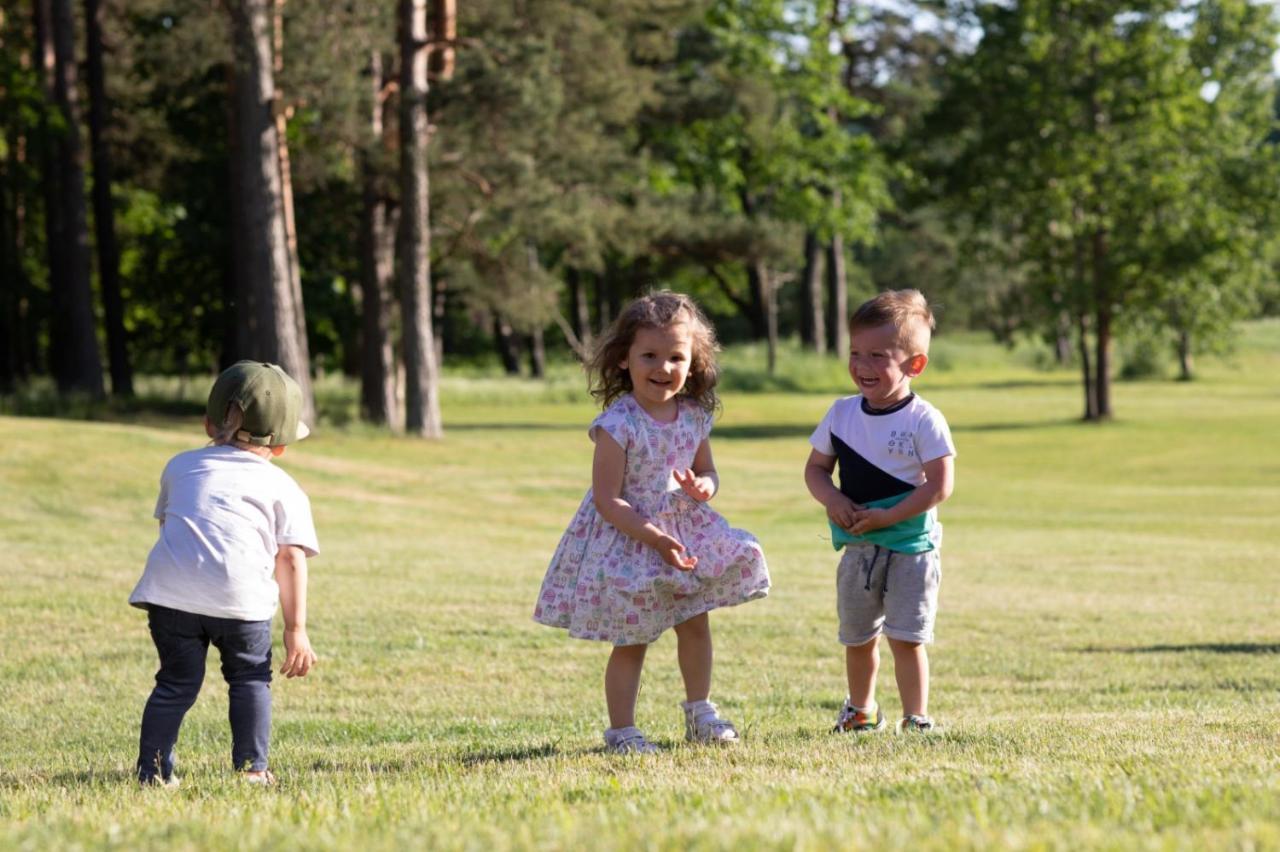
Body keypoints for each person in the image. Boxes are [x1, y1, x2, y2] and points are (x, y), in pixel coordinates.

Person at [534, 291, 771, 754]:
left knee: (695, 623)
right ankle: (622, 731)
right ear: (624, 360)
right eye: (649, 356)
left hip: (683, 534)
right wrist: (653, 537)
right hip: (631, 536)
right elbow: (607, 500)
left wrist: (705, 487)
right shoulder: (617, 424)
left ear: (693, 361)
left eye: (676, 357)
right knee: (633, 637)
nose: (663, 368)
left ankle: (700, 712)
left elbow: (708, 472)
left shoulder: (694, 416)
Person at [130, 361, 320, 786]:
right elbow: (290, 559)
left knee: (175, 684)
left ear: (207, 422)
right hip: (241, 601)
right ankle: (252, 771)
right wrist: (296, 629)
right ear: (283, 444)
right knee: (250, 679)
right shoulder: (284, 487)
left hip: (169, 596)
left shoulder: (179, 466)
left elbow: (170, 527)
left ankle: (154, 774)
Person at [803, 289, 955, 735]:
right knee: (858, 637)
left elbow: (941, 485)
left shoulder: (924, 420)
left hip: (911, 548)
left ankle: (916, 717)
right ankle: (861, 709)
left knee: (907, 637)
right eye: (855, 353)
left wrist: (889, 518)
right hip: (858, 548)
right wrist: (833, 499)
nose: (861, 366)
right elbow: (815, 470)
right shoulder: (841, 414)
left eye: (877, 356)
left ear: (915, 365)